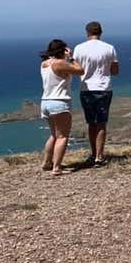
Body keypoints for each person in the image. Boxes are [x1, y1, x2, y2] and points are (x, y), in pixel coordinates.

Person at [73, 21, 119, 166]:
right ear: (101, 32)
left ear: (87, 33)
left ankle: (93, 154)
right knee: (101, 123)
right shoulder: (109, 48)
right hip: (104, 88)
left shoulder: (79, 48)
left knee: (91, 123)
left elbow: (75, 69)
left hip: (86, 89)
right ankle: (100, 156)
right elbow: (115, 71)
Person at [39, 39, 84, 176]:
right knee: (63, 136)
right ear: (62, 50)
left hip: (45, 101)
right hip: (59, 102)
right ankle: (56, 167)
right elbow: (80, 70)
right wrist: (71, 58)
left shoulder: (44, 64)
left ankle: (47, 162)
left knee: (54, 135)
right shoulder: (59, 64)